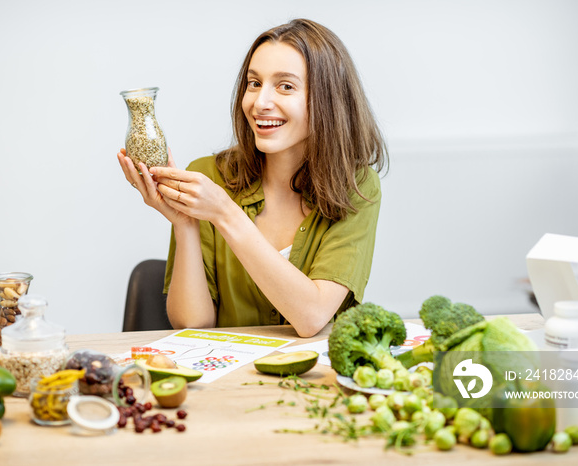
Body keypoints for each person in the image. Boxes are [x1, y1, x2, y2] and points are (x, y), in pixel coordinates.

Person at [118, 18, 388, 337]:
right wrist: (185, 224)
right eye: (254, 83)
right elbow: (193, 323)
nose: (260, 103)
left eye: (285, 86)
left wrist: (224, 213)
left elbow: (312, 316)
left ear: (328, 100)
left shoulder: (356, 187)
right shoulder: (207, 176)